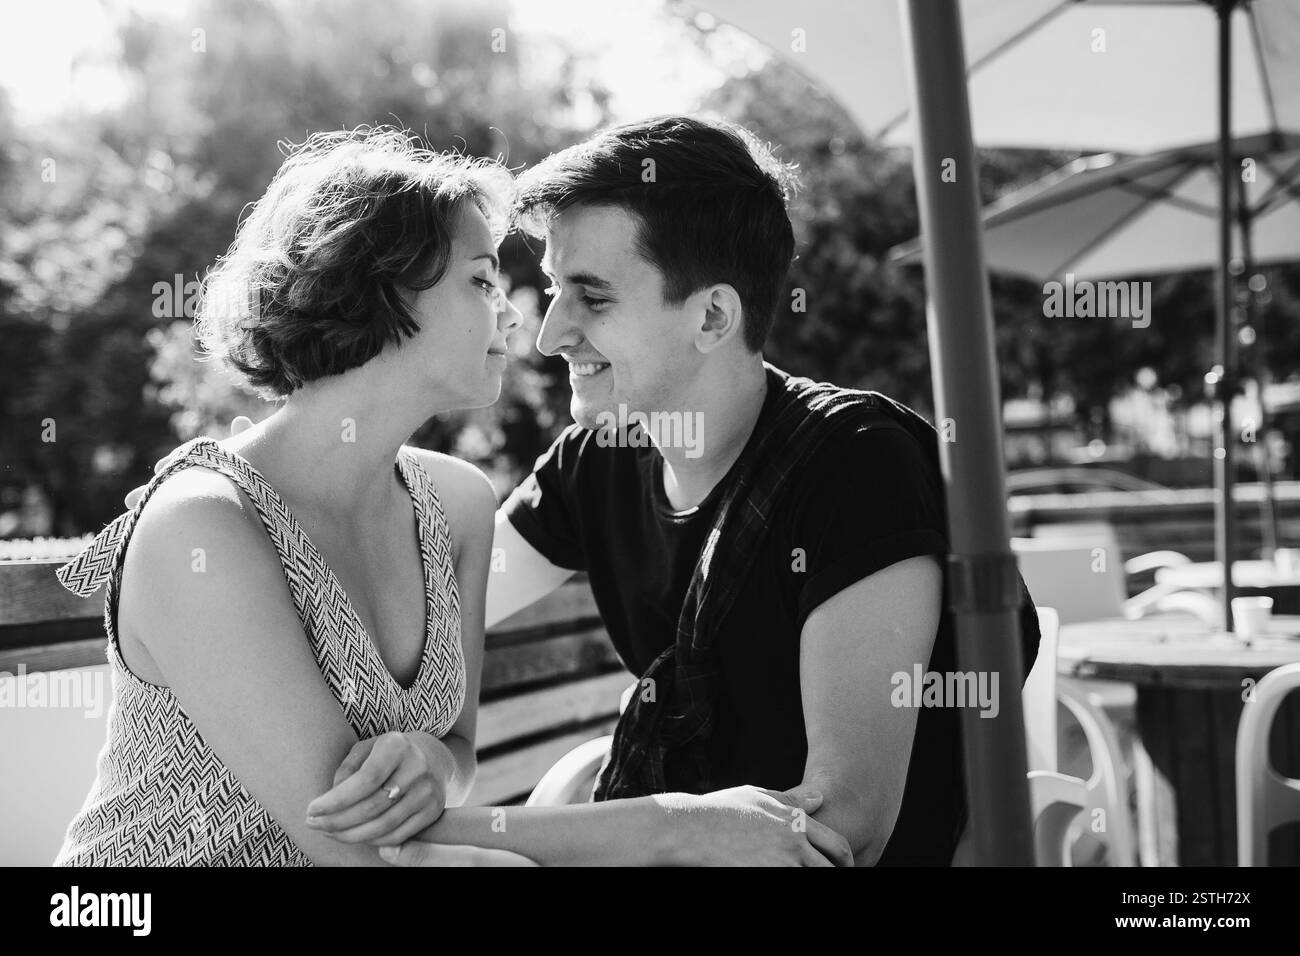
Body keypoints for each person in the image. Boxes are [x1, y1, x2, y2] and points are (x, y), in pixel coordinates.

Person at [66, 126, 844, 867]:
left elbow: (459, 755)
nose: (517, 316)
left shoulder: (458, 504)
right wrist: (674, 825)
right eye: (481, 279)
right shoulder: (202, 526)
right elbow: (356, 846)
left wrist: (433, 758)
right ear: (379, 291)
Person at [377, 116, 1044, 867]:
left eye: (592, 298)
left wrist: (445, 835)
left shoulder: (858, 465)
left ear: (714, 316)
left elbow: (839, 826)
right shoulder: (595, 461)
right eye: (556, 290)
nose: (550, 333)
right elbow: (430, 621)